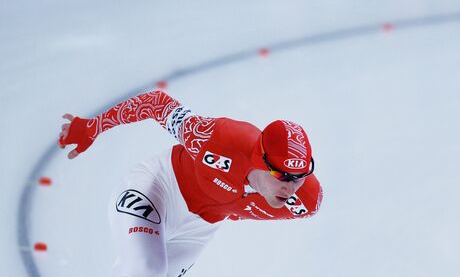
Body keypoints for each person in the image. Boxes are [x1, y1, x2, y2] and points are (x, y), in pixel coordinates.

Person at [58, 90, 323, 277]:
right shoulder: (217, 139)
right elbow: (157, 104)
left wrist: (232, 210)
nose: (290, 188)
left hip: (199, 229)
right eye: (281, 175)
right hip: (159, 188)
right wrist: (93, 126)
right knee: (146, 270)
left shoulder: (304, 202)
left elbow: (240, 205)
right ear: (259, 160)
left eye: (299, 178)